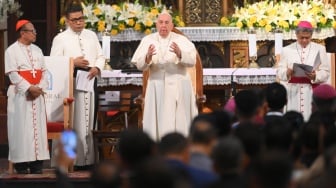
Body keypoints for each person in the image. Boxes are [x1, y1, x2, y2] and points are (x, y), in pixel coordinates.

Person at [50, 3, 105, 168]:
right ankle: (70, 161)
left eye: (81, 19)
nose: (79, 23)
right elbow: (54, 63)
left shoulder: (91, 36)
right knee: (73, 123)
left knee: (88, 123)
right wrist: (73, 62)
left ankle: (87, 161)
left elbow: (101, 55)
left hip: (89, 81)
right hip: (71, 83)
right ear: (67, 21)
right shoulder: (60, 39)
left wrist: (97, 67)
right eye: (74, 20)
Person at [131, 12, 198, 140]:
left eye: (167, 23)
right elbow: (140, 65)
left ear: (172, 25)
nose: (163, 25)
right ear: (156, 24)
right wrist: (147, 57)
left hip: (179, 85)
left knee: (179, 123)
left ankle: (179, 148)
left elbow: (192, 61)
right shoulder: (148, 40)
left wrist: (180, 53)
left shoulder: (182, 40)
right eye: (161, 22)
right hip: (157, 87)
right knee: (157, 123)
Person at [5, 19, 50, 174]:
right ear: (23, 33)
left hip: (37, 95)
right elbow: (13, 74)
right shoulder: (11, 51)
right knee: (21, 129)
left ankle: (38, 164)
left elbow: (44, 72)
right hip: (20, 96)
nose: (35, 34)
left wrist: (39, 88)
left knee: (38, 129)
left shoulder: (37, 50)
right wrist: (29, 88)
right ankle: (22, 165)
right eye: (32, 31)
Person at [277, 20, 330, 121]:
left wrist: (316, 76)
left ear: (311, 35)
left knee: (311, 120)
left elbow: (326, 72)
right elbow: (279, 72)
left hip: (311, 91)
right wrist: (287, 72)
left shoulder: (320, 49)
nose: (305, 40)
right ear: (296, 35)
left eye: (307, 38)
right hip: (293, 92)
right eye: (302, 38)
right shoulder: (286, 50)